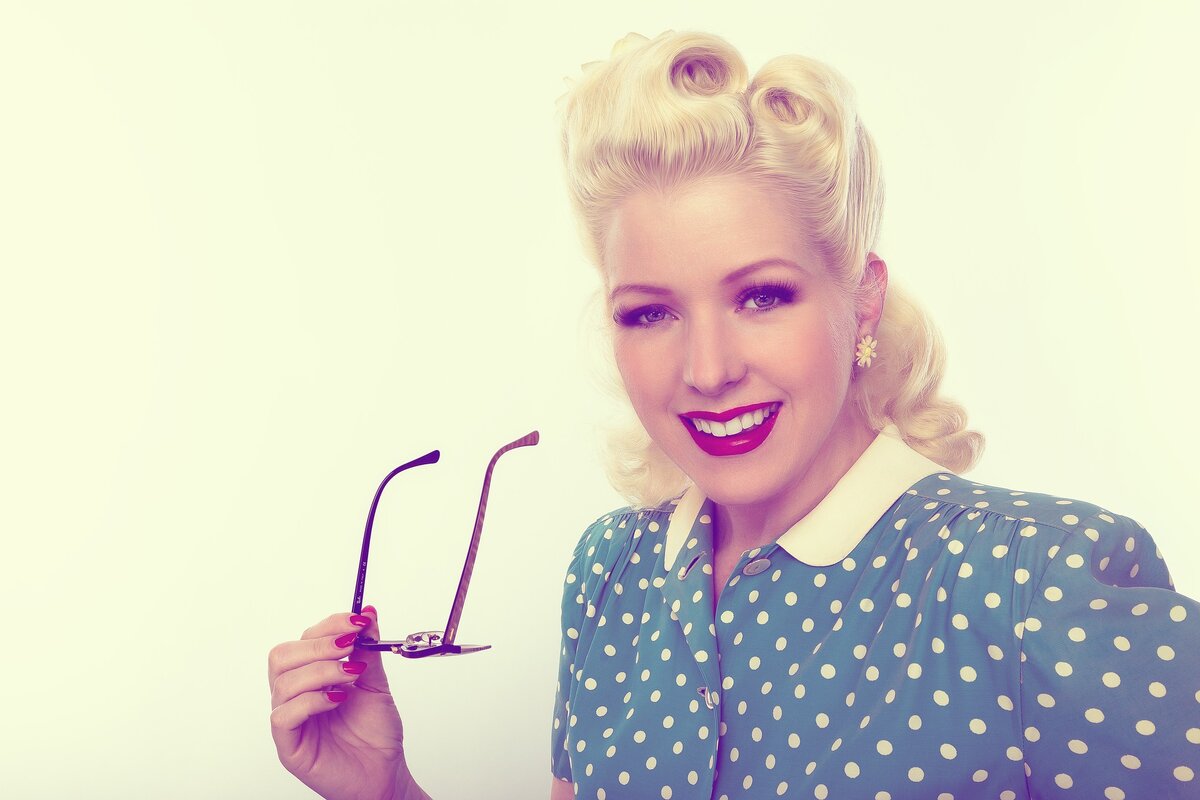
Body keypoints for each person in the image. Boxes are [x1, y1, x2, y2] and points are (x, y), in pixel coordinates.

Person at [268, 30, 1200, 799]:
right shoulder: (611, 573)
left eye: (761, 296)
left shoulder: (1042, 585)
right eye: (651, 313)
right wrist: (387, 792)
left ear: (862, 301)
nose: (708, 370)